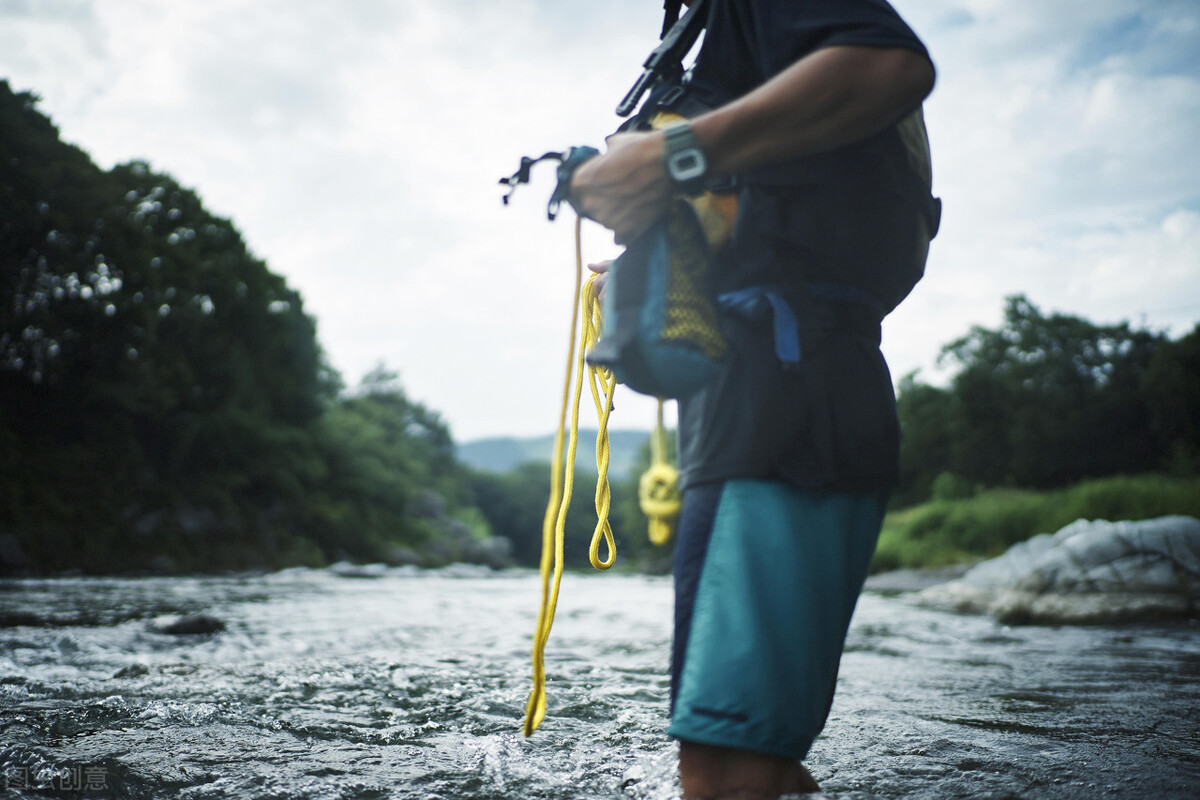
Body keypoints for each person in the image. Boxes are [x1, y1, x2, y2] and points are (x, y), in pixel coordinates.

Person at [570, 1, 937, 798]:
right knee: (756, 758)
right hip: (785, 389)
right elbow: (778, 210)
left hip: (782, 395)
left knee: (725, 766)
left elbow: (890, 63)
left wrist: (670, 155)